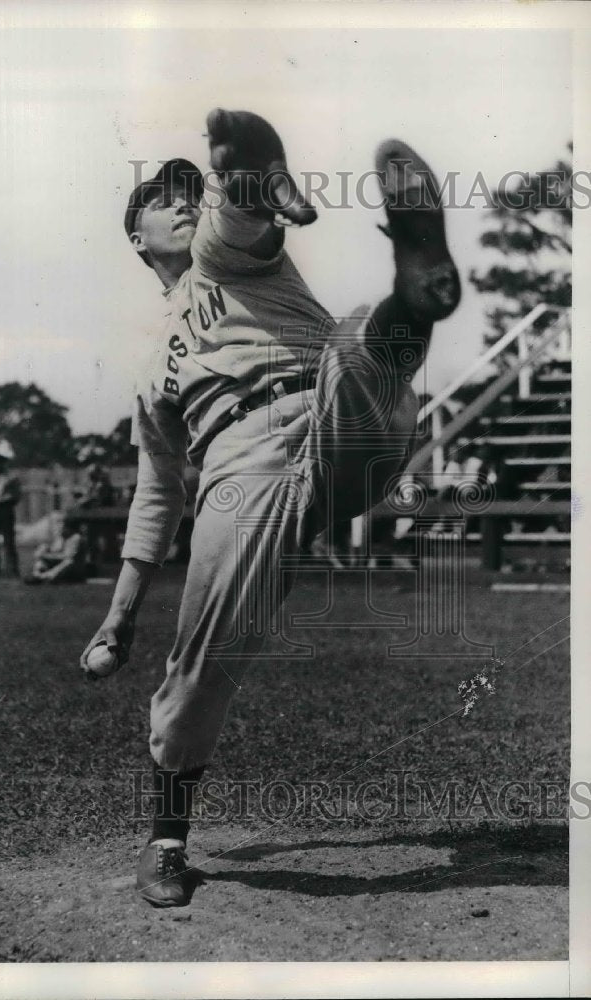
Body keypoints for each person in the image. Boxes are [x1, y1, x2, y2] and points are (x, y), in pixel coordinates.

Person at [79, 109, 462, 906]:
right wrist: (119, 617)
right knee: (207, 654)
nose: (182, 202)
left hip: (336, 415)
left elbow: (233, 226)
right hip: (240, 462)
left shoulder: (225, 259)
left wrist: (244, 180)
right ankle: (166, 842)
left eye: (191, 191)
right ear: (136, 238)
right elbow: (158, 493)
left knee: (352, 349)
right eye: (163, 199)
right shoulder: (150, 370)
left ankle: (416, 281)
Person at [0, 441, 21, 579]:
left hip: (5, 508)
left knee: (8, 539)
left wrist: (7, 500)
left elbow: (17, 496)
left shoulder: (11, 477)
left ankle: (12, 568)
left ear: (4, 463)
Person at [25, 513, 87, 584]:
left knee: (68, 562)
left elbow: (66, 556)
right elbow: (54, 550)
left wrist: (46, 555)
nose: (61, 528)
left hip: (74, 569)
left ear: (70, 528)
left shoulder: (76, 538)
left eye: (63, 526)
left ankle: (46, 576)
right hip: (58, 565)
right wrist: (45, 549)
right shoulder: (61, 537)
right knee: (41, 559)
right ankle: (36, 575)